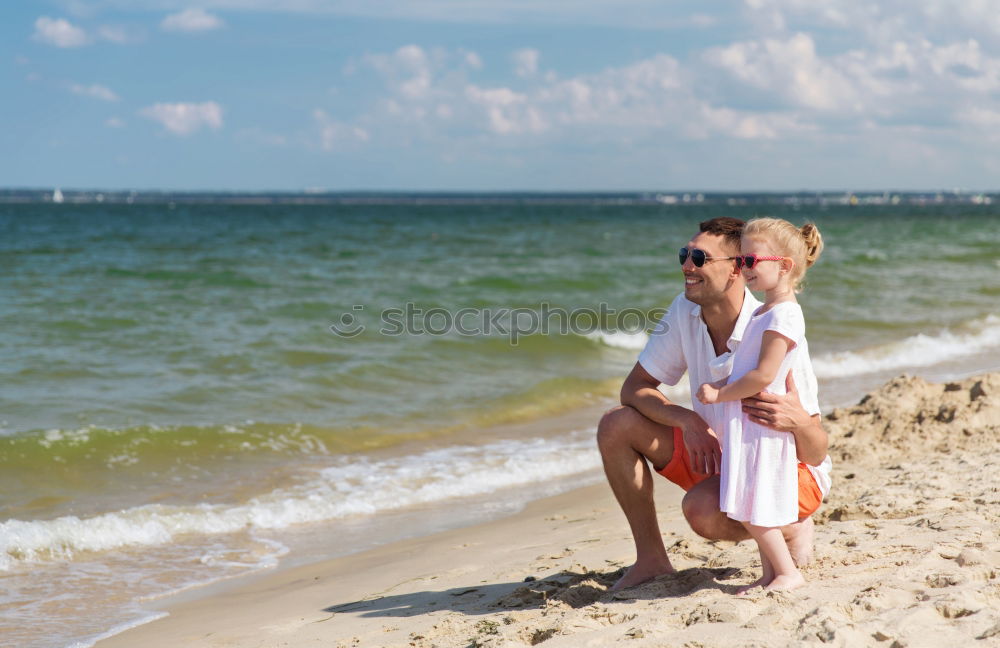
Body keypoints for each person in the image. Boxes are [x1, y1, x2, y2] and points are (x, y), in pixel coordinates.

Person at [596, 217, 831, 592]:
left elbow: (817, 454)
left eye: (700, 258)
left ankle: (791, 524)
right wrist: (686, 420)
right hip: (719, 456)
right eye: (685, 255)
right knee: (616, 424)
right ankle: (652, 559)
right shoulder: (683, 310)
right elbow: (635, 389)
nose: (687, 265)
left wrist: (799, 422)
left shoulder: (773, 328)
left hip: (783, 473)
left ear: (740, 268)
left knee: (702, 512)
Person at [695, 217, 825, 592]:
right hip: (748, 425)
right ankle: (769, 574)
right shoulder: (762, 312)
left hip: (763, 429)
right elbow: (745, 368)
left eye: (750, 261)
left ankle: (787, 573)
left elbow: (764, 374)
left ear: (784, 265)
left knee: (755, 507)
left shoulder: (785, 313)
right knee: (750, 501)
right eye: (740, 261)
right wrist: (720, 383)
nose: (743, 268)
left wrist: (720, 394)